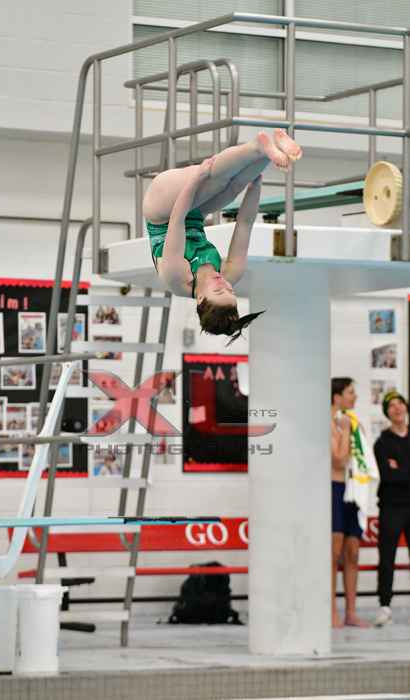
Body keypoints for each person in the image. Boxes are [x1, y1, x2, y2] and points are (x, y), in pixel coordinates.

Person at [143, 129, 302, 343]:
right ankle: (272, 149)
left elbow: (177, 218)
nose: (224, 284)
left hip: (161, 210)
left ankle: (257, 145)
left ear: (200, 298)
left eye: (218, 292)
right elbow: (244, 225)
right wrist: (255, 187)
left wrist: (196, 178)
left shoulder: (177, 277)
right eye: (230, 291)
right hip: (196, 214)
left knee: (215, 181)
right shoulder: (230, 275)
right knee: (235, 186)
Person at [331, 377, 370, 628]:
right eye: (350, 392)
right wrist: (345, 431)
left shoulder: (354, 422)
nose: (354, 397)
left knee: (353, 551)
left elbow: (362, 458)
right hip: (334, 488)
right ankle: (331, 611)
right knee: (334, 553)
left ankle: (351, 612)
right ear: (337, 397)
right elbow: (339, 460)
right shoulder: (328, 424)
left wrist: (353, 430)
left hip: (353, 491)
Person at [373, 391, 410, 627]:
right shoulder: (382, 442)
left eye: (400, 404)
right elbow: (388, 476)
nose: (397, 408)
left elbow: (397, 473)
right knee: (387, 558)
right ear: (387, 412)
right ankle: (384, 606)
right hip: (391, 507)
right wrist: (397, 471)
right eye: (392, 406)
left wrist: (399, 468)